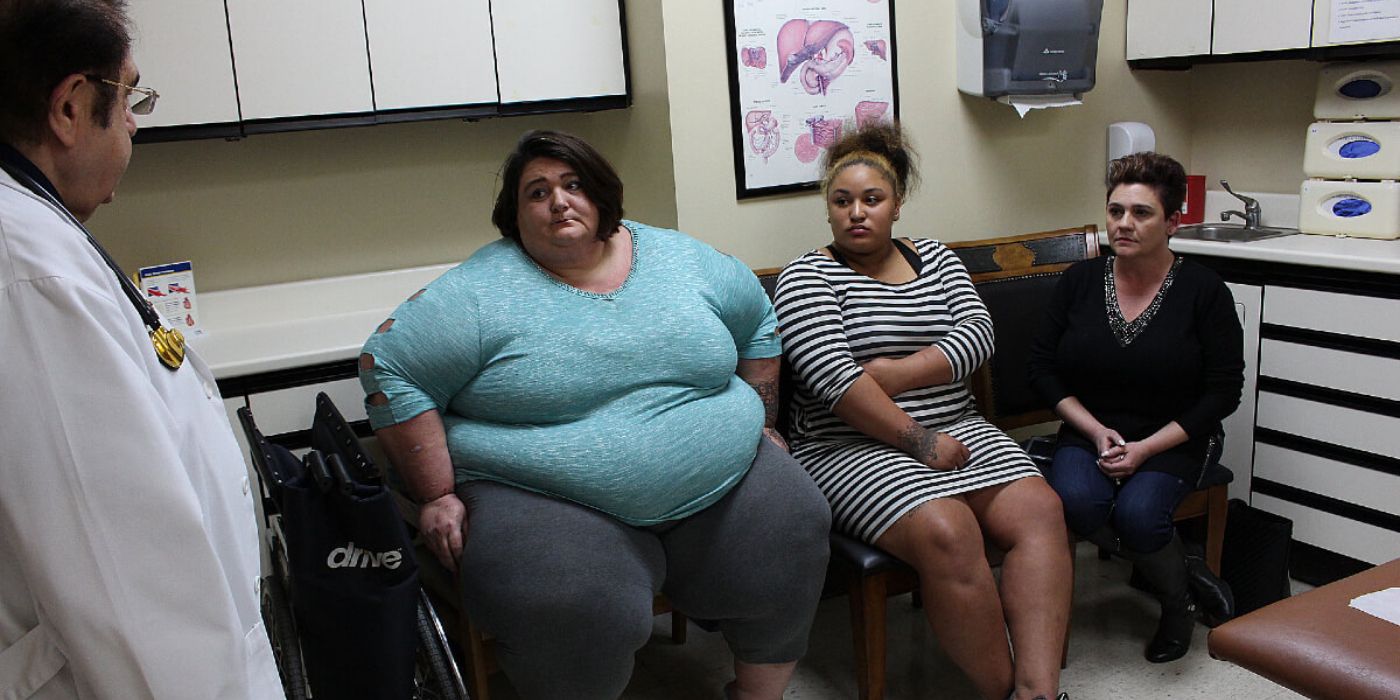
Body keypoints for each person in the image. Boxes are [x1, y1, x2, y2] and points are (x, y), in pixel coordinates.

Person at [359, 129, 831, 700]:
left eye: (574, 184)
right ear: (514, 215)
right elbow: (388, 366)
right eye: (537, 192)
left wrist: (763, 420)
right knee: (574, 603)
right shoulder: (478, 292)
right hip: (543, 493)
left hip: (723, 472)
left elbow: (757, 317)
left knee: (793, 523)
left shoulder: (681, 257)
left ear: (602, 194)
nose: (559, 201)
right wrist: (436, 494)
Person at [0, 1, 281, 697]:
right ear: (70, 107)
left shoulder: (37, 236)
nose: (132, 122)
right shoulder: (29, 272)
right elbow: (129, 584)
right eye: (128, 97)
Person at [773, 122, 1072, 700]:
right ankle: (1001, 692)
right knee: (948, 531)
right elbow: (835, 381)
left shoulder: (936, 257)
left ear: (897, 204)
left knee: (1041, 510)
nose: (856, 213)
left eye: (872, 199)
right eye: (842, 201)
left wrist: (895, 374)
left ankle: (1038, 693)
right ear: (828, 210)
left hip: (958, 424)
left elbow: (978, 335)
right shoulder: (806, 276)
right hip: (846, 446)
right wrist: (921, 441)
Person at [1028, 151, 1243, 663]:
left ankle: (1176, 605)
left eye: (1141, 213)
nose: (1124, 223)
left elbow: (1223, 392)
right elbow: (1041, 369)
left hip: (1175, 435)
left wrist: (1146, 448)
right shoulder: (1080, 281)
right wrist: (1094, 430)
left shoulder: (1205, 292)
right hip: (1092, 430)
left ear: (1172, 223)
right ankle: (1186, 572)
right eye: (1115, 210)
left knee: (1141, 515)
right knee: (1077, 502)